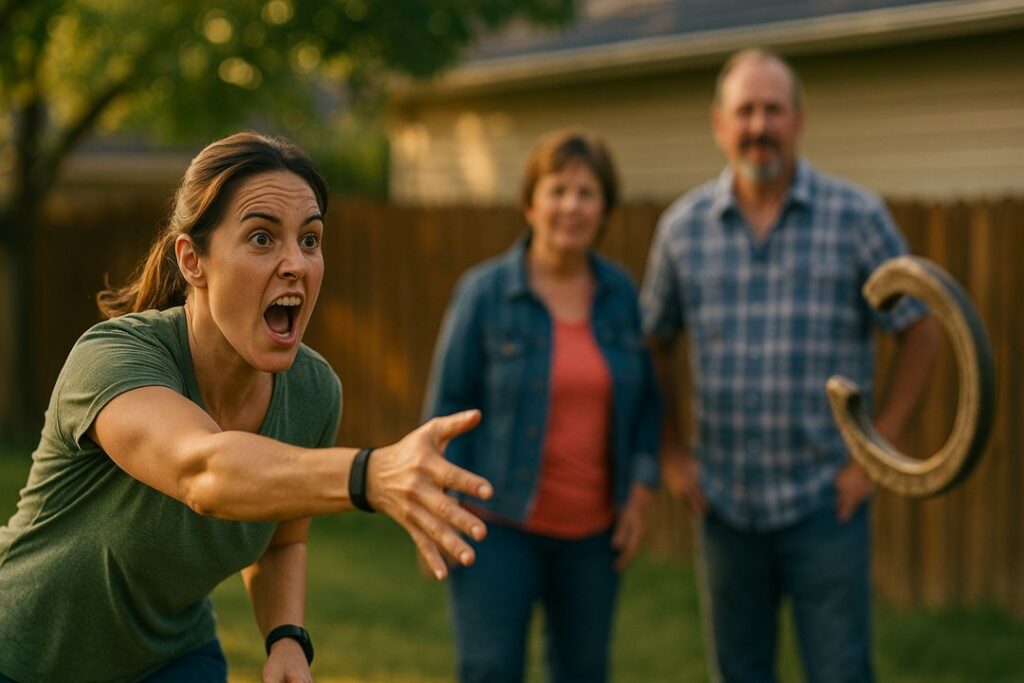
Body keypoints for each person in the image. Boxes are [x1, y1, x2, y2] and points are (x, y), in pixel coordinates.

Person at [0, 131, 493, 683]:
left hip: (169, 658)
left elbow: (282, 536)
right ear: (192, 260)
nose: (295, 265)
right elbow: (204, 472)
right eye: (262, 238)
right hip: (25, 653)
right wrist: (370, 474)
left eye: (310, 240)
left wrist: (286, 640)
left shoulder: (313, 392)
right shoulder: (113, 358)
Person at [640, 49, 941, 682]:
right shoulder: (682, 229)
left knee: (840, 671)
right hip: (723, 507)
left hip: (824, 505)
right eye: (744, 110)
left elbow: (922, 328)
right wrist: (670, 452)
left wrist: (876, 452)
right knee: (740, 672)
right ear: (718, 123)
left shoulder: (856, 218)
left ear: (798, 121)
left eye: (773, 109)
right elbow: (652, 341)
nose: (759, 125)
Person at [422, 129, 661, 683]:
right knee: (490, 671)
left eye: (586, 192)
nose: (571, 206)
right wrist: (434, 511)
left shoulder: (622, 296)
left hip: (592, 539)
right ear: (531, 202)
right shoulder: (483, 294)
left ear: (604, 209)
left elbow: (649, 403)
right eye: (558, 190)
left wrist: (640, 494)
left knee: (584, 671)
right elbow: (444, 409)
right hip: (493, 526)